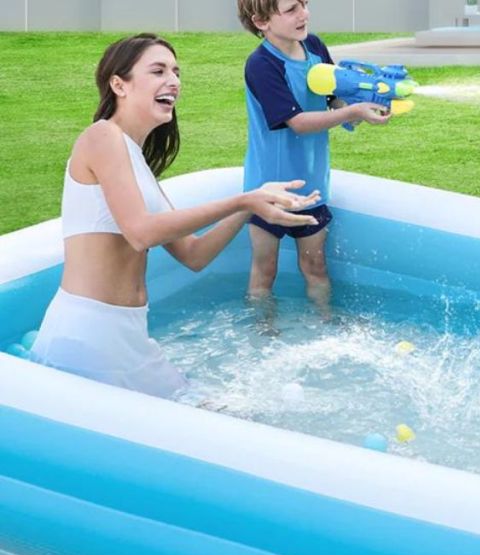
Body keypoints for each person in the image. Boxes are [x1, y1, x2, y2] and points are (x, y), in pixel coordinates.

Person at [30, 33, 321, 399]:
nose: (174, 81)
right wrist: (240, 199)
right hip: (88, 334)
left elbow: (193, 254)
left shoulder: (136, 162)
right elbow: (140, 233)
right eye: (158, 70)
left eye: (176, 72)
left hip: (130, 334)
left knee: (215, 418)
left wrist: (250, 207)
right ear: (118, 84)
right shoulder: (101, 137)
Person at [236, 0, 390, 310]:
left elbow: (334, 100)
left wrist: (361, 106)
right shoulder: (262, 65)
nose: (304, 14)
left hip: (312, 186)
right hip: (268, 190)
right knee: (264, 271)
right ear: (262, 21)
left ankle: (324, 328)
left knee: (315, 268)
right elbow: (299, 123)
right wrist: (352, 112)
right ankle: (263, 337)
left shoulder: (314, 47)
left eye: (304, 4)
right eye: (291, 9)